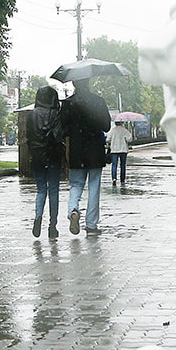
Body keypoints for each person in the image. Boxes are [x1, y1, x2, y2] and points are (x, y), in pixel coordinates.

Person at [62, 77, 111, 235]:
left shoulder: (68, 103)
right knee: (94, 186)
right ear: (89, 82)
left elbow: (63, 129)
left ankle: (73, 211)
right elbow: (106, 126)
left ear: (73, 84)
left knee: (76, 184)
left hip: (76, 151)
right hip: (95, 151)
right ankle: (91, 225)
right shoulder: (98, 101)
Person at [27, 86, 66, 238]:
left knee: (41, 189)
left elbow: (29, 137)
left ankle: (38, 217)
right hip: (53, 155)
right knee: (54, 190)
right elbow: (58, 136)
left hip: (37, 156)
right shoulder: (56, 114)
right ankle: (52, 226)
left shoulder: (31, 115)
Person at [107, 121, 132, 186]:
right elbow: (129, 139)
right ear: (122, 123)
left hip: (114, 150)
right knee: (123, 165)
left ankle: (114, 178)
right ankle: (122, 179)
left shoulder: (112, 131)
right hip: (123, 150)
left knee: (114, 165)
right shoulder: (125, 131)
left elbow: (107, 139)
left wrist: (112, 142)